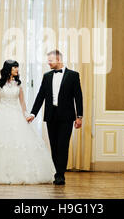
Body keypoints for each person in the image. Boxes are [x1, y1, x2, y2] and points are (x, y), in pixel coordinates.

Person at [27, 50, 83, 185]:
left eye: (50, 60)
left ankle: (60, 175)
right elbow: (40, 96)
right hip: (51, 115)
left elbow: (78, 97)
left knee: (63, 145)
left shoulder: (73, 75)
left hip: (67, 116)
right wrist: (33, 114)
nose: (48, 62)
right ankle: (56, 172)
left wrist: (79, 116)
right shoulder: (47, 76)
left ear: (59, 60)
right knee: (54, 146)